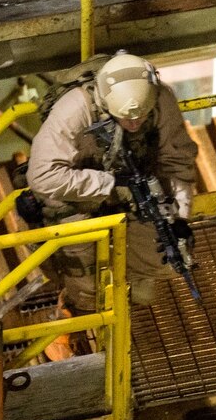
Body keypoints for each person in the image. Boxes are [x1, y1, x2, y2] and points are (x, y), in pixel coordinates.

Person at [26, 51, 199, 313]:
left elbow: (177, 163)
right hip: (75, 193)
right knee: (84, 275)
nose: (134, 123)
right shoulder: (75, 108)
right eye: (126, 118)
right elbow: (42, 176)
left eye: (140, 117)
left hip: (131, 188)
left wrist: (180, 217)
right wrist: (109, 182)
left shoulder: (159, 99)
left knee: (161, 256)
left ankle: (132, 310)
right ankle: (80, 312)